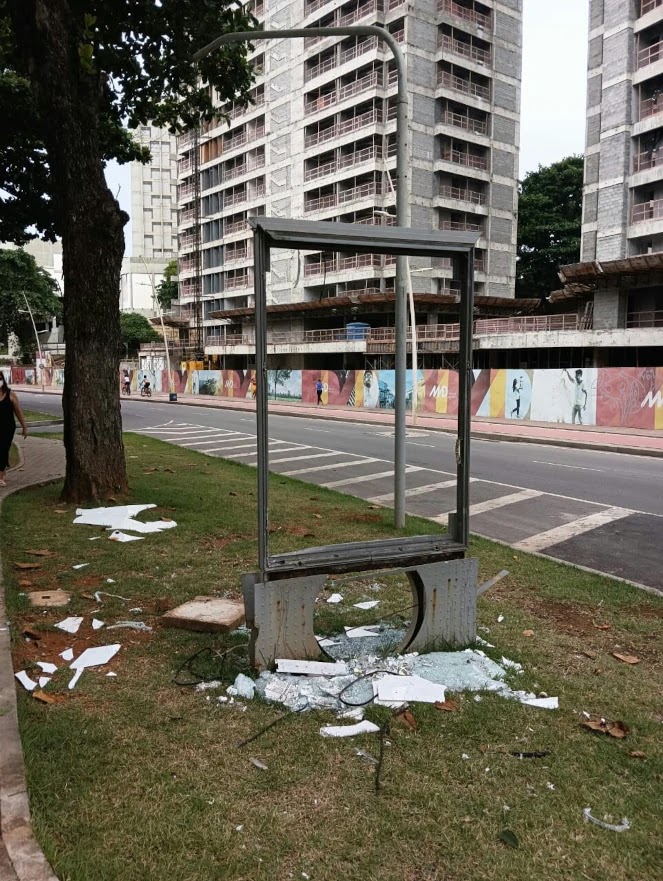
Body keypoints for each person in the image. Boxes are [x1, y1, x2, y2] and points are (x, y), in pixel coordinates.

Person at [0, 372, 28, 488]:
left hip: (7, 428)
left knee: (2, 449)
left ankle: (0, 477)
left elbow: (18, 412)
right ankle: (3, 470)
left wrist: (24, 426)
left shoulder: (11, 395)